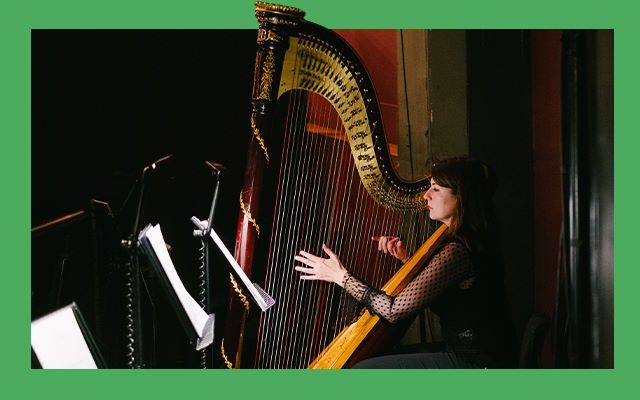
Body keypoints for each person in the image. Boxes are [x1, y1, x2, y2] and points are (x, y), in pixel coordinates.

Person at [294, 156, 517, 368]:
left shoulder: (457, 250)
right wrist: (406, 258)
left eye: (436, 189)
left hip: (475, 364)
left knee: (361, 372)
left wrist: (340, 277)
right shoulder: (469, 239)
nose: (426, 196)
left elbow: (393, 310)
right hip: (480, 353)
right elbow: (453, 296)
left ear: (462, 197)